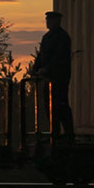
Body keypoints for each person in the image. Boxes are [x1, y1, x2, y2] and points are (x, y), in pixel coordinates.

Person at [28, 9, 75, 140]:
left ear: (57, 21)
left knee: (61, 104)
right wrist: (35, 68)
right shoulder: (47, 37)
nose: (48, 22)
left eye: (50, 20)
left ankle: (68, 133)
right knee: (48, 105)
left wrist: (47, 69)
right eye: (47, 20)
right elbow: (41, 56)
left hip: (59, 77)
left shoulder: (63, 38)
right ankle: (54, 132)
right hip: (47, 78)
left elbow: (58, 58)